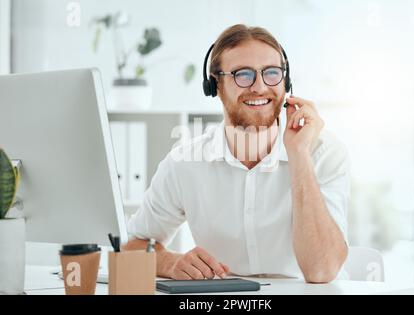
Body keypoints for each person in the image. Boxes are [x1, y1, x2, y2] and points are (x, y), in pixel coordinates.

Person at [125, 24, 350, 283]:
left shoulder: (324, 153)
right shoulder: (184, 163)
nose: (259, 87)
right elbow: (132, 246)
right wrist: (169, 262)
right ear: (215, 84)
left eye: (272, 73)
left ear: (286, 81)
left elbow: (322, 271)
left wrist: (299, 156)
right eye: (243, 75)